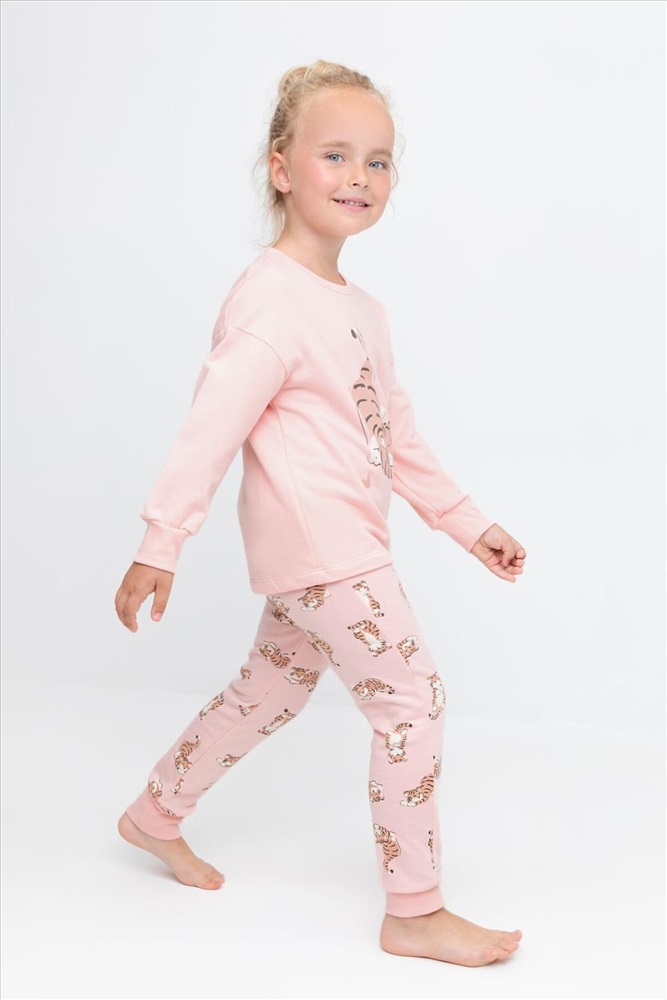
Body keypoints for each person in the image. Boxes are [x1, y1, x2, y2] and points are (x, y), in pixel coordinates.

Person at [114, 59, 526, 966]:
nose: (358, 177)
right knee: (411, 701)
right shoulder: (268, 299)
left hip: (333, 548)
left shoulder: (361, 310)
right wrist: (161, 542)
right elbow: (211, 427)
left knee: (270, 689)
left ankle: (155, 812)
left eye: (377, 161)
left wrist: (468, 525)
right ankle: (413, 909)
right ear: (280, 168)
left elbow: (397, 437)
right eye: (334, 155)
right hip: (327, 549)